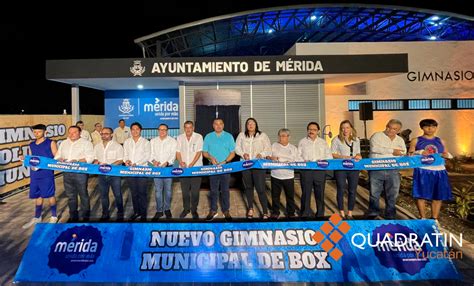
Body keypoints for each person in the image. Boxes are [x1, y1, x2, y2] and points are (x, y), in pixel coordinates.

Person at [408, 119, 453, 220]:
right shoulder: (416, 140)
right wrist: (420, 152)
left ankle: (434, 219)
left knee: (438, 195)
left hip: (439, 170)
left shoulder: (441, 140)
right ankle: (422, 218)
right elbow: (410, 155)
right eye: (427, 126)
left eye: (433, 126)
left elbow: (446, 154)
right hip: (423, 169)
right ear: (422, 128)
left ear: (436, 127)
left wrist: (447, 155)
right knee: (421, 195)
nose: (430, 129)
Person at [367, 119, 406, 220]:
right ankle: (373, 213)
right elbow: (375, 149)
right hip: (377, 168)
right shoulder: (377, 136)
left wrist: (386, 152)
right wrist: (392, 151)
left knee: (392, 194)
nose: (390, 130)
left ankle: (390, 214)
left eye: (394, 129)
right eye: (388, 127)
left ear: (398, 130)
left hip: (393, 169)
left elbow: (403, 152)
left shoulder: (400, 140)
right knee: (374, 193)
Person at [22, 124, 59, 228]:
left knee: (50, 195)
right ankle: (37, 217)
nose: (36, 133)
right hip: (34, 174)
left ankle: (54, 216)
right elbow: (30, 158)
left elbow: (56, 157)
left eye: (38, 131)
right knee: (37, 195)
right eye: (34, 132)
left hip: (46, 173)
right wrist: (24, 158)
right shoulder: (31, 144)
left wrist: (47, 163)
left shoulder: (51, 142)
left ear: (44, 132)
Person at [54, 125, 94, 222]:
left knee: (83, 194)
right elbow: (57, 156)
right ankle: (73, 216)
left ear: (80, 133)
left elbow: (91, 157)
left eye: (74, 132)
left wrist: (78, 161)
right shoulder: (64, 143)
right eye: (70, 132)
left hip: (80, 172)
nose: (72, 134)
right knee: (71, 195)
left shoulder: (86, 143)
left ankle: (85, 216)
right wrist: (60, 159)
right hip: (67, 173)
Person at [235, 118, 272, 219]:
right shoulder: (241, 135)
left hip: (258, 165)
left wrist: (262, 154)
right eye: (248, 123)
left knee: (260, 188)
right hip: (245, 165)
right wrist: (243, 154)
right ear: (246, 125)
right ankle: (250, 208)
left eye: (253, 123)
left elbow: (268, 149)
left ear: (256, 125)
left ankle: (265, 211)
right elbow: (237, 148)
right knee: (248, 187)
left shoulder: (262, 135)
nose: (250, 125)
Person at [202, 118, 235, 221]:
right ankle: (213, 210)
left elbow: (232, 153)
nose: (218, 125)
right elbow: (204, 152)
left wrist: (225, 161)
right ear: (213, 125)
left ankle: (226, 210)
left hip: (225, 167)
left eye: (220, 123)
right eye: (216, 124)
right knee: (213, 190)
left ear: (223, 125)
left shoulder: (229, 136)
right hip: (212, 168)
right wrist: (211, 157)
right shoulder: (208, 136)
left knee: (225, 190)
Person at [298, 122, 332, 218]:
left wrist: (322, 161)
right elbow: (298, 155)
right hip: (306, 171)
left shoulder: (323, 142)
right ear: (307, 130)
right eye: (310, 129)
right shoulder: (302, 142)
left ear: (318, 131)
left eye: (314, 130)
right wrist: (304, 161)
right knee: (306, 193)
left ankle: (320, 214)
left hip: (319, 171)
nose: (311, 131)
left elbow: (329, 156)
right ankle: (305, 213)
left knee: (320, 193)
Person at [331, 120, 362, 220]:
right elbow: (333, 154)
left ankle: (350, 213)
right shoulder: (336, 139)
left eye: (347, 127)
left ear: (351, 128)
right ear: (340, 129)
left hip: (353, 168)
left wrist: (358, 156)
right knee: (341, 189)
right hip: (341, 168)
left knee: (352, 191)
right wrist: (344, 157)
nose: (345, 130)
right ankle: (341, 213)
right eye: (343, 128)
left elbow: (358, 153)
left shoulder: (356, 140)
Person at [93, 127, 124, 221]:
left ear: (111, 134)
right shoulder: (97, 146)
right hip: (101, 175)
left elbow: (120, 160)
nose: (103, 135)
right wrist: (96, 162)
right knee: (103, 195)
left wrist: (109, 166)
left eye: (106, 133)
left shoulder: (117, 146)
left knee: (117, 194)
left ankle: (120, 213)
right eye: (102, 134)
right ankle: (105, 214)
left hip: (114, 175)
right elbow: (95, 158)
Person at [267, 128, 300, 220]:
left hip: (289, 176)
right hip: (275, 175)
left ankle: (291, 212)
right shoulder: (273, 145)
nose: (282, 138)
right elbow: (268, 156)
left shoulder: (293, 148)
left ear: (288, 137)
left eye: (284, 136)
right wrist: (271, 157)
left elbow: (296, 160)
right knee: (275, 196)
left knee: (290, 196)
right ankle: (275, 212)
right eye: (280, 136)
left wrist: (283, 160)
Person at [176, 121, 203, 220]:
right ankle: (186, 209)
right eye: (186, 127)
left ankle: (194, 209)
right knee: (185, 191)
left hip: (196, 168)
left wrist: (192, 163)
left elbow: (199, 151)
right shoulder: (179, 138)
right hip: (183, 169)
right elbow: (178, 152)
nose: (188, 129)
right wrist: (181, 162)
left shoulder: (199, 137)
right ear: (184, 128)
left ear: (193, 128)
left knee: (195, 192)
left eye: (190, 127)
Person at [123, 122, 150, 221]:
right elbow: (125, 154)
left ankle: (143, 214)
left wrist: (136, 163)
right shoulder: (127, 142)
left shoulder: (145, 142)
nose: (135, 131)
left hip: (142, 170)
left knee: (142, 193)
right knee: (133, 193)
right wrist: (126, 161)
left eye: (137, 129)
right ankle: (136, 212)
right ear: (130, 131)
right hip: (130, 171)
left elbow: (147, 156)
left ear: (140, 130)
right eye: (133, 129)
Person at [150, 124, 177, 220]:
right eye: (160, 130)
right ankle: (159, 210)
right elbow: (150, 154)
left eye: (164, 130)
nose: (162, 131)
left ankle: (167, 209)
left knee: (168, 191)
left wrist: (167, 162)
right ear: (158, 130)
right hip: (156, 169)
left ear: (167, 131)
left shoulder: (172, 141)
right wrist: (154, 161)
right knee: (158, 191)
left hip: (168, 168)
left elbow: (173, 155)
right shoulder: (153, 141)